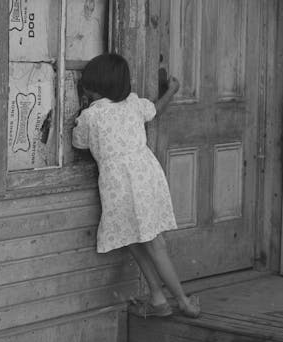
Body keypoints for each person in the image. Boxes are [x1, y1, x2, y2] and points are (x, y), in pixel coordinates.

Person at [72, 52, 200, 318]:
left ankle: (182, 301)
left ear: (93, 86)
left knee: (144, 242)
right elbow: (155, 109)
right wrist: (172, 90)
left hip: (118, 182)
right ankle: (158, 298)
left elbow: (79, 143)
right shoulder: (132, 103)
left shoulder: (90, 116)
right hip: (146, 176)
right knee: (141, 239)